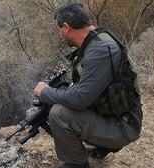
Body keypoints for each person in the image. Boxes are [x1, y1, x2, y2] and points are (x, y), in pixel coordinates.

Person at [33, 4, 143, 168]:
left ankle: (76, 163)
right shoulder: (99, 39)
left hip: (124, 127)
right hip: (119, 118)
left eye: (59, 30)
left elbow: (80, 99)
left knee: (59, 113)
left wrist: (45, 92)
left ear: (66, 27)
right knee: (63, 100)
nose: (60, 35)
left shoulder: (100, 51)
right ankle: (103, 147)